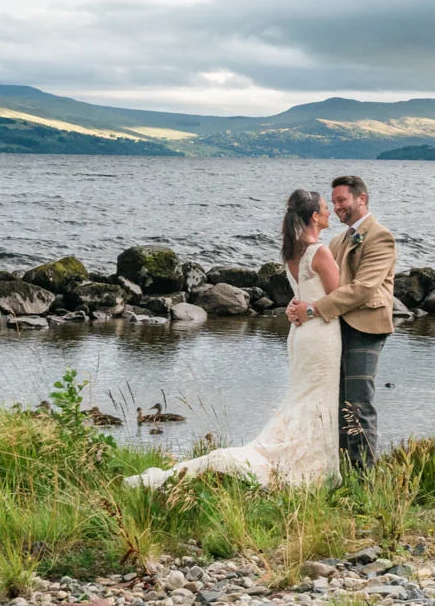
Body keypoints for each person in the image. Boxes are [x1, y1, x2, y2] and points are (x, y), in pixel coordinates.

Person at [123, 189, 343, 489]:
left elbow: (304, 296)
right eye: (324, 208)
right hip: (320, 331)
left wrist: (299, 307)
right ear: (314, 216)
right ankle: (309, 469)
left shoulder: (293, 252)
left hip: (301, 333)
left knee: (302, 398)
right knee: (316, 400)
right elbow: (339, 298)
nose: (330, 212)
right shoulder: (320, 252)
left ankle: (303, 461)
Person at [287, 174, 396, 474]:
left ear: (362, 199)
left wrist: (313, 309)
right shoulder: (338, 240)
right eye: (333, 202)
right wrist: (298, 303)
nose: (336, 207)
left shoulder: (380, 237)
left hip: (366, 328)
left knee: (359, 404)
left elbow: (364, 288)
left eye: (342, 200)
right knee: (336, 404)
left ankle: (365, 478)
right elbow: (323, 283)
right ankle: (340, 470)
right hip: (335, 329)